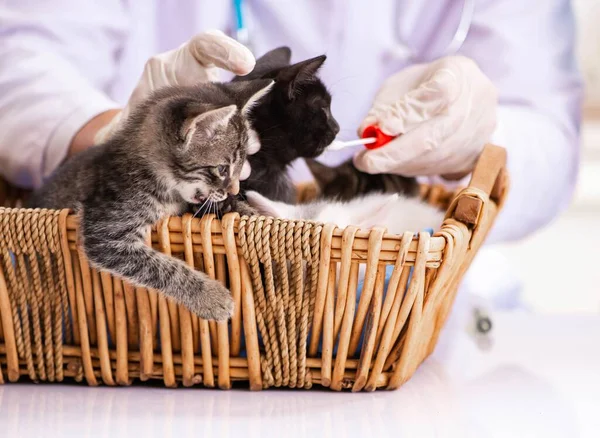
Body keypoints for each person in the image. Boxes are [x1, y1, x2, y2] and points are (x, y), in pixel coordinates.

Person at [0, 0, 582, 247]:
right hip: (129, 328)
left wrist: (468, 141)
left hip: (403, 345)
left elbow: (548, 134)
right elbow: (20, 58)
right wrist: (121, 141)